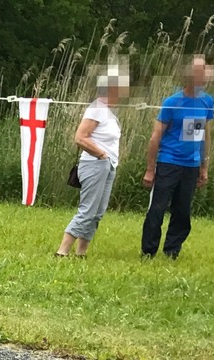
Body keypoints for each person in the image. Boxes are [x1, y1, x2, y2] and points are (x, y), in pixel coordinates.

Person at [141, 55, 214, 259]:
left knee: (182, 210)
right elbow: (155, 137)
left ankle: (172, 250)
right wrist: (150, 169)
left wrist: (204, 165)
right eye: (200, 72)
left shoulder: (207, 102)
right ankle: (148, 250)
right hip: (169, 161)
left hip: (191, 165)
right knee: (158, 208)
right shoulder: (172, 102)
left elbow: (204, 135)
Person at [56, 68, 128, 257]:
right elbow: (80, 137)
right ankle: (62, 252)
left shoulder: (108, 112)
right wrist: (101, 155)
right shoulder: (97, 109)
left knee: (97, 212)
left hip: (108, 166)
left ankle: (81, 253)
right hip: (95, 164)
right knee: (88, 210)